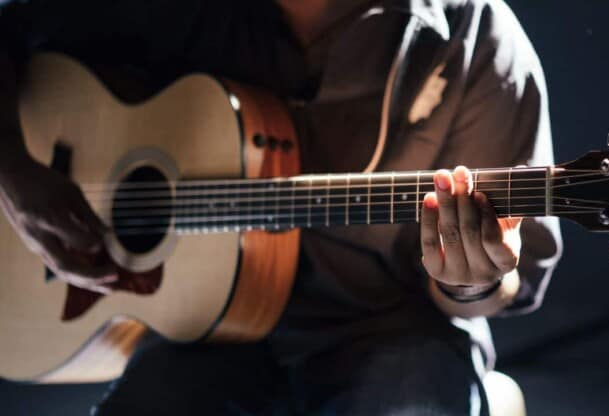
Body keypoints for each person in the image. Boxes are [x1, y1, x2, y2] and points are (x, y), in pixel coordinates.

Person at [0, 0, 561, 414]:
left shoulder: (477, 38)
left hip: (389, 331)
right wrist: (15, 173)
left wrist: (471, 279)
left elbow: (504, 284)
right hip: (204, 336)